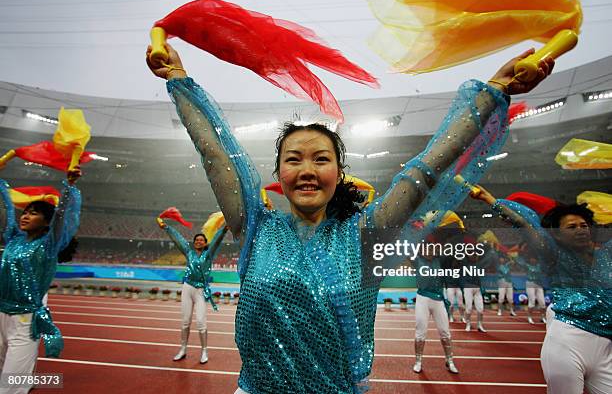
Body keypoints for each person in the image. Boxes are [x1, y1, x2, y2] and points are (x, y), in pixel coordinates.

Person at [147, 42, 553, 393]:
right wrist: (179, 81)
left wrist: (493, 92)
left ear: (338, 175)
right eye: (294, 159)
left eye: (321, 159)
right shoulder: (256, 229)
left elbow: (427, 168)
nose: (307, 169)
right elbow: (216, 157)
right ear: (279, 175)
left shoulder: (365, 235)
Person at [471, 185, 611, 394]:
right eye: (571, 227)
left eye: (583, 225)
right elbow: (522, 222)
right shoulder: (554, 254)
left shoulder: (606, 255)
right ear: (558, 236)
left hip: (606, 346)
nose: (580, 229)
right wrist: (491, 200)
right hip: (568, 342)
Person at [0, 166, 82, 394]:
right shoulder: (14, 240)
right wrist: (1, 186)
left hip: (25, 321)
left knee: (9, 388)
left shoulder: (47, 246)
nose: (25, 216)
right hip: (0, 315)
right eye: (25, 212)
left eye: (33, 213)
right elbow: (6, 209)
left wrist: (69, 188)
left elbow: (62, 218)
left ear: (46, 222)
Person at [157, 217, 228, 363]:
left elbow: (217, 239)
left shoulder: (209, 254)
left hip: (200, 290)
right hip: (188, 288)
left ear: (205, 243)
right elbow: (178, 239)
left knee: (201, 322)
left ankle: (204, 351)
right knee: (185, 322)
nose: (199, 241)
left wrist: (224, 229)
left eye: (202, 240)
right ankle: (183, 349)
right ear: (194, 242)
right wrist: (166, 227)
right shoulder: (188, 252)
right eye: (197, 240)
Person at [412, 252, 459, 374]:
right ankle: (418, 361)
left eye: (432, 248)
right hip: (423, 298)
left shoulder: (441, 260)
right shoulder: (417, 260)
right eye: (427, 248)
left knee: (445, 331)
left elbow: (455, 255)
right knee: (420, 332)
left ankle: (450, 360)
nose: (429, 251)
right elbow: (404, 251)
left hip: (438, 300)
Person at [515, 245, 547, 324]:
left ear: (536, 260)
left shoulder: (539, 266)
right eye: (531, 259)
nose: (533, 260)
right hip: (530, 284)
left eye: (534, 259)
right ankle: (529, 317)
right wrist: (519, 252)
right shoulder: (527, 266)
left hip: (539, 285)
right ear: (530, 260)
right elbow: (519, 261)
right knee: (532, 302)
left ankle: (543, 317)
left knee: (542, 303)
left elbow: (545, 261)